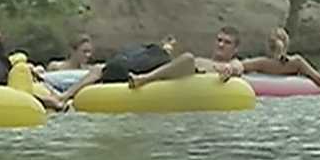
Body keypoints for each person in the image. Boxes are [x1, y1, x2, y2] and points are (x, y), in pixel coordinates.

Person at [53, 33, 198, 104]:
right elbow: (188, 60)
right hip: (130, 73)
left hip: (125, 72)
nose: (88, 55)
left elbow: (98, 70)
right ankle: (63, 96)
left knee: (102, 69)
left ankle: (63, 96)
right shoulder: (153, 53)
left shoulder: (159, 58)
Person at [239, 27, 320, 94]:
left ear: (268, 46)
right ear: (287, 44)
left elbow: (238, 66)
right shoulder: (296, 62)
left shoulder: (260, 63)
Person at [128, 26, 245, 89]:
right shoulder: (202, 60)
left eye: (227, 42)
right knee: (155, 50)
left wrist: (229, 70)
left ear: (235, 49)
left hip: (188, 80)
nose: (221, 45)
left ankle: (143, 79)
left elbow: (237, 68)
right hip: (169, 76)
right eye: (219, 40)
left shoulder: (232, 63)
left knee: (189, 58)